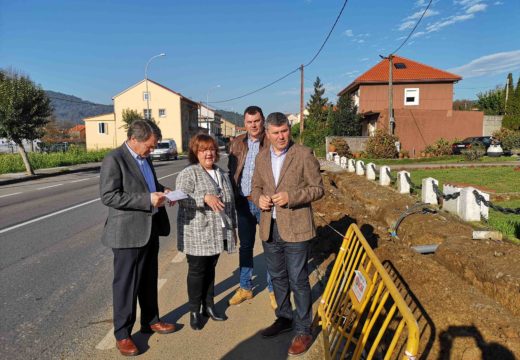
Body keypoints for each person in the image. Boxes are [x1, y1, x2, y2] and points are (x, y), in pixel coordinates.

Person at [99, 120, 175, 357]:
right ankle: (122, 334)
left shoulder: (145, 158)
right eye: (150, 146)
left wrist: (164, 191)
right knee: (126, 285)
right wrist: (147, 200)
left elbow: (147, 184)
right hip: (127, 234)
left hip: (149, 228)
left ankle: (151, 320)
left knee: (148, 278)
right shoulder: (115, 159)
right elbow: (109, 196)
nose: (152, 150)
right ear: (134, 139)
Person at [251, 112, 324, 357]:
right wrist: (258, 198)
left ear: (289, 130)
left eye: (284, 131)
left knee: (299, 280)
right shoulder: (261, 157)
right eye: (276, 132)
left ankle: (303, 329)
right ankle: (284, 318)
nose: (281, 136)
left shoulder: (303, 154)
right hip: (269, 229)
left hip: (297, 229)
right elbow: (256, 187)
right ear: (267, 134)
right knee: (278, 277)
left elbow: (317, 188)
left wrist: (292, 197)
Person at [176, 133, 237, 330]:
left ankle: (209, 306)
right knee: (197, 271)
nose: (208, 153)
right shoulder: (190, 172)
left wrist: (232, 227)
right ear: (195, 152)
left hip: (218, 232)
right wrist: (204, 198)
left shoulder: (221, 173)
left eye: (211, 149)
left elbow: (230, 204)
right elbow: (181, 198)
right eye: (203, 150)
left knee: (210, 270)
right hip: (197, 233)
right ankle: (194, 311)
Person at [227, 106, 276, 309]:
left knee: (270, 245)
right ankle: (245, 287)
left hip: (264, 202)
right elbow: (232, 171)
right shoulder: (238, 143)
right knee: (245, 246)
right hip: (243, 202)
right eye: (249, 122)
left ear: (262, 121)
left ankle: (274, 290)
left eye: (256, 121)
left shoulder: (271, 141)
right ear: (244, 123)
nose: (253, 125)